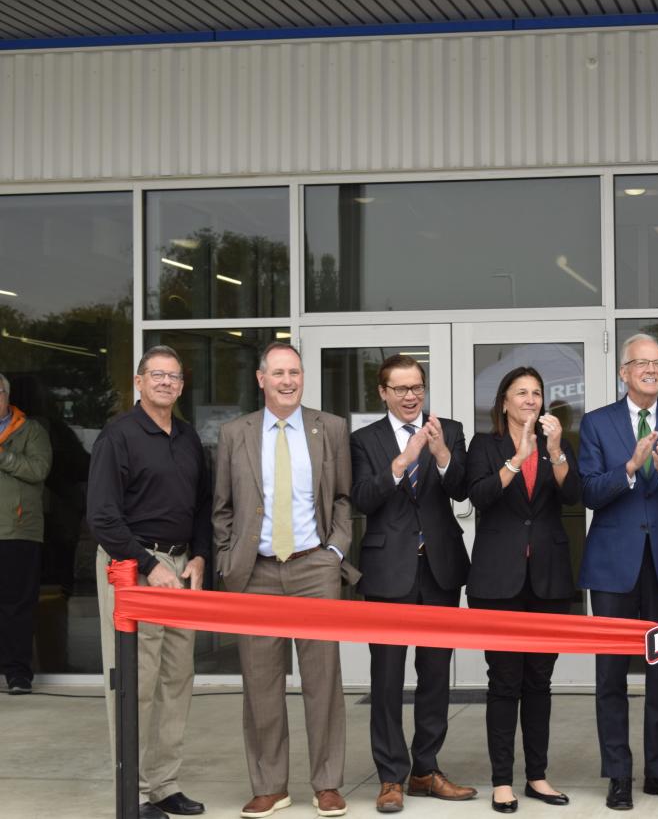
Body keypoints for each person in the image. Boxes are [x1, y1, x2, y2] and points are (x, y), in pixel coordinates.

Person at [212, 342, 359, 819]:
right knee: (260, 684)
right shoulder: (235, 433)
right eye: (278, 373)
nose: (287, 381)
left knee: (323, 681)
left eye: (294, 372)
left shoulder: (330, 428)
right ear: (261, 379)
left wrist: (335, 549)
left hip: (315, 566)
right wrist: (227, 556)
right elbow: (222, 507)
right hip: (254, 573)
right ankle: (270, 785)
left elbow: (342, 497)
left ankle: (328, 783)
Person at [578, 334, 658, 810]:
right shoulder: (596, 423)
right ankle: (618, 774)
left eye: (657, 363)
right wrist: (630, 467)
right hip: (613, 566)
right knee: (610, 675)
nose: (650, 369)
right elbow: (588, 492)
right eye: (641, 362)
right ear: (623, 372)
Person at [349, 354, 477, 813]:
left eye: (417, 387)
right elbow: (362, 499)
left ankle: (425, 769)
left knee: (435, 677)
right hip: (388, 573)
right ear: (382, 392)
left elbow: (463, 490)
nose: (410, 396)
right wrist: (402, 461)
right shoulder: (364, 439)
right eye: (400, 389)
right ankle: (390, 777)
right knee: (385, 680)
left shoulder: (453, 430)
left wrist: (441, 454)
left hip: (439, 570)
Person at [87, 347, 211, 819]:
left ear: (181, 386)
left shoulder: (187, 436)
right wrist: (146, 562)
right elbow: (102, 516)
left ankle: (164, 784)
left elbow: (201, 506)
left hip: (180, 569)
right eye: (156, 375)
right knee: (135, 683)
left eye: (174, 376)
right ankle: (133, 791)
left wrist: (198, 556)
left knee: (177, 679)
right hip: (133, 570)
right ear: (138, 382)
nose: (165, 383)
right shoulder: (117, 437)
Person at [465, 366, 581, 815]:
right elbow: (480, 495)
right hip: (498, 581)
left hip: (548, 579)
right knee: (504, 680)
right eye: (521, 393)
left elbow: (574, 496)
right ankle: (501, 780)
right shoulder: (485, 445)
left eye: (537, 392)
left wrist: (552, 451)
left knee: (539, 680)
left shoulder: (558, 446)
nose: (531, 400)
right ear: (504, 402)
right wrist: (518, 459)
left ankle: (537, 775)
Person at [0, 372, 52, 696]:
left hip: (18, 531)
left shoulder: (32, 430)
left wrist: (3, 455)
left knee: (16, 606)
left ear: (6, 395)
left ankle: (18, 674)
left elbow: (38, 470)